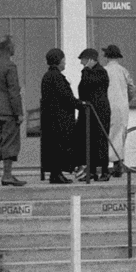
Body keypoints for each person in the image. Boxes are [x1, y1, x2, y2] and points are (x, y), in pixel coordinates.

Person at [0, 37, 26, 186]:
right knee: (10, 142)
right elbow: (13, 92)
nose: (15, 48)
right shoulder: (10, 66)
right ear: (9, 48)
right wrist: (19, 112)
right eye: (13, 46)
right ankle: (7, 175)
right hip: (8, 110)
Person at [39, 47, 79, 185]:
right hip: (59, 119)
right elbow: (65, 97)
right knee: (59, 146)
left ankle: (55, 174)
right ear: (59, 61)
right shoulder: (56, 77)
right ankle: (57, 174)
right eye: (64, 60)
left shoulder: (47, 76)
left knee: (53, 146)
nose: (65, 63)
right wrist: (79, 104)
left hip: (51, 118)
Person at [75, 48, 112, 181]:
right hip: (89, 111)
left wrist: (86, 70)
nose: (81, 63)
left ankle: (104, 171)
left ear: (90, 60)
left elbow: (87, 85)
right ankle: (91, 171)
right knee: (89, 141)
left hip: (99, 112)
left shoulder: (100, 72)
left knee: (100, 140)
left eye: (83, 60)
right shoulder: (92, 72)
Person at [102, 45, 134, 176]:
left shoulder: (104, 70)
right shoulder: (123, 71)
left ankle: (106, 165)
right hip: (122, 107)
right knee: (120, 135)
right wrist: (127, 100)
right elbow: (131, 88)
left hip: (107, 106)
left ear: (107, 57)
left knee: (107, 134)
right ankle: (118, 164)